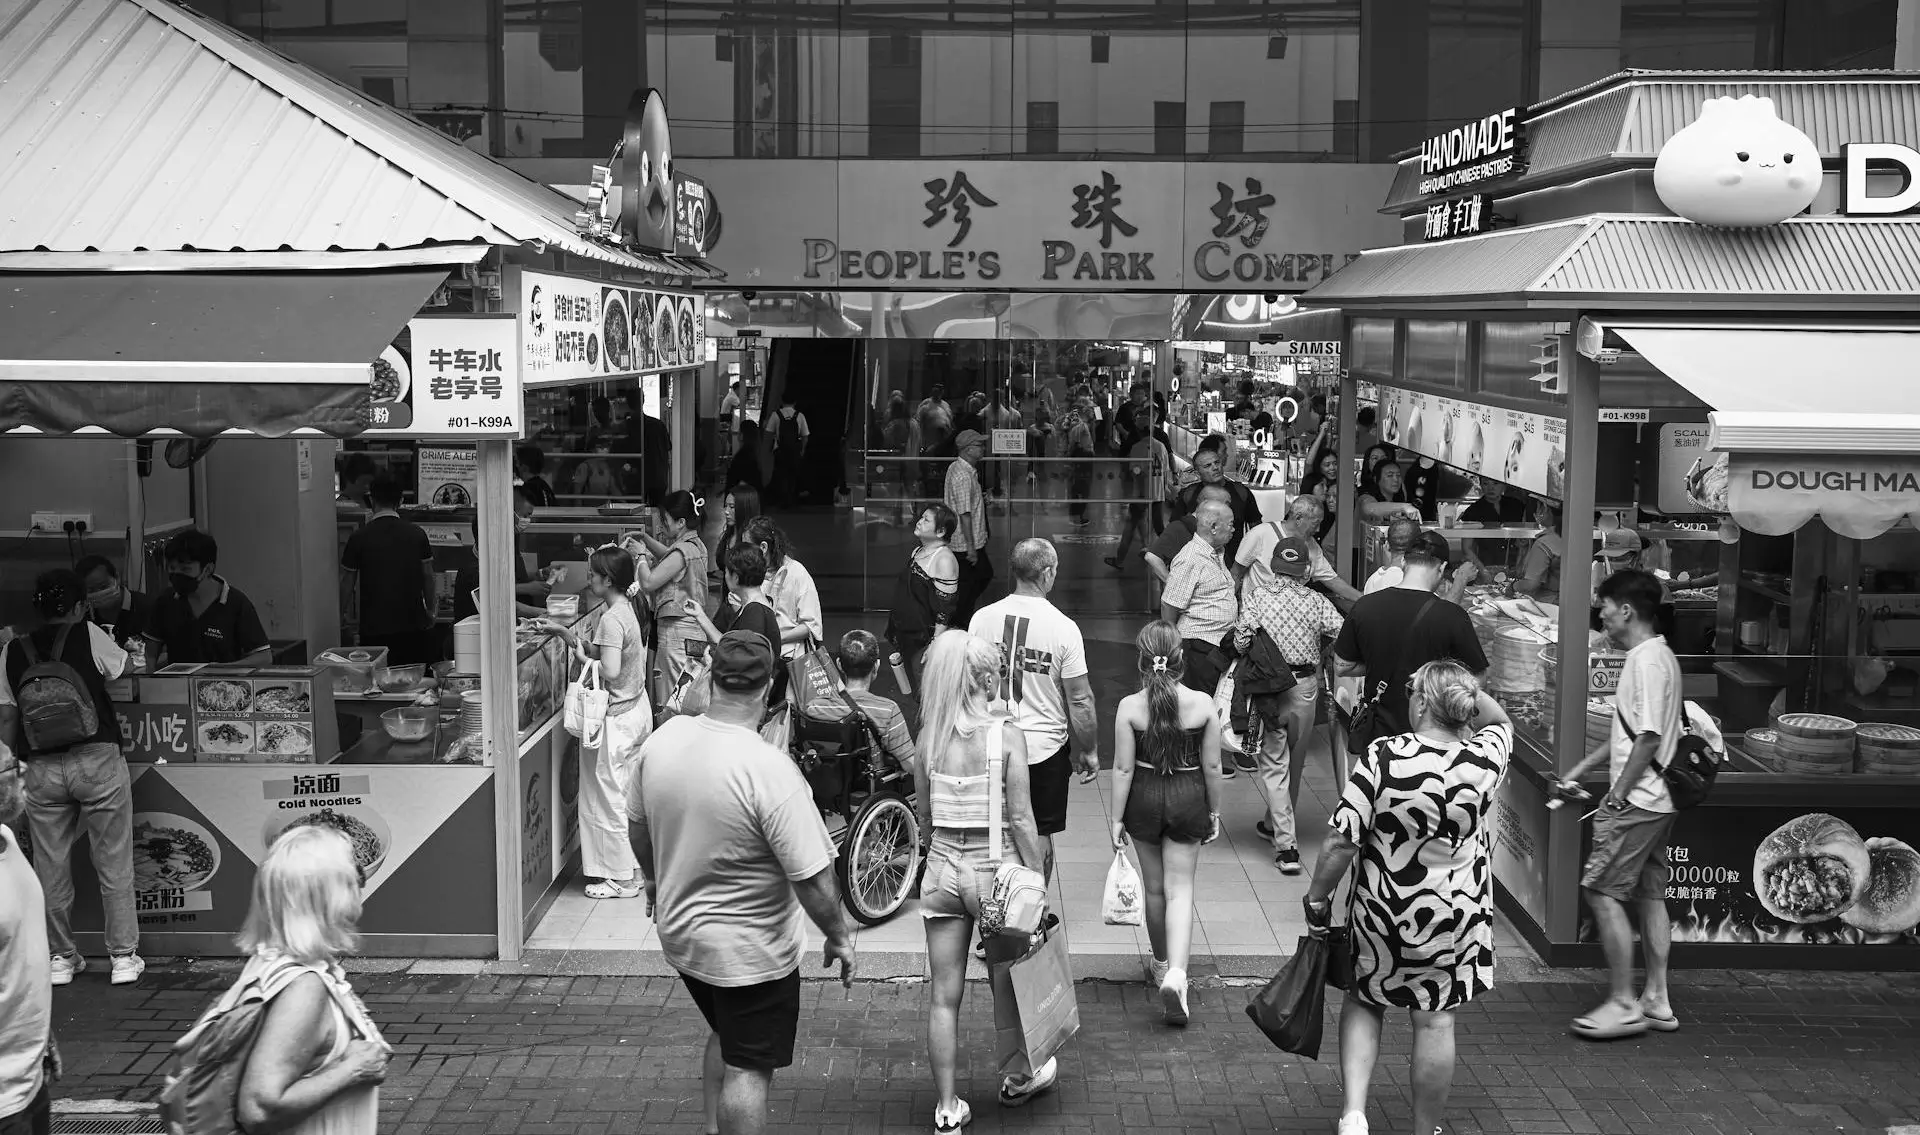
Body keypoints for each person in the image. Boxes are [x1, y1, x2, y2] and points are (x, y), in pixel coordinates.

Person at [628, 631, 854, 1135]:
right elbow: (814, 880)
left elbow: (637, 826)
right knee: (749, 1068)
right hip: (751, 957)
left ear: (710, 676)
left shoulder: (664, 740)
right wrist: (838, 936)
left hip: (684, 940)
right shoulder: (771, 771)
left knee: (725, 1032)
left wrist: (651, 879)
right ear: (768, 686)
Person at [1304, 661, 1514, 1135]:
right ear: (1461, 706)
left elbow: (1341, 840)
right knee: (1436, 1021)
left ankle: (1354, 1114)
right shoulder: (1484, 759)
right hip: (1454, 917)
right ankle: (1424, 1129)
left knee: (1365, 999)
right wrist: (1466, 689)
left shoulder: (1382, 758)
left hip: (1383, 910)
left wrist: (1318, 898)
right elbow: (1501, 722)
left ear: (1420, 703)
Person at [914, 630, 1052, 1130]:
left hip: (944, 871)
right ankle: (1018, 1079)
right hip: (997, 877)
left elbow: (924, 818)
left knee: (943, 996)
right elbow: (1021, 819)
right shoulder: (1006, 735)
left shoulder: (928, 738)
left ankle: (947, 1107)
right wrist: (1036, 876)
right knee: (1007, 984)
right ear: (987, 678)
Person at [1556, 568, 1682, 1042]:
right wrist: (1580, 768)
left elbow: (1647, 737)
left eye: (1604, 605)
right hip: (1658, 799)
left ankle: (1623, 1003)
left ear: (1626, 610)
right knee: (1650, 895)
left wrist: (1617, 796)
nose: (1601, 614)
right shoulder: (1659, 656)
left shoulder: (1645, 661)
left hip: (1640, 800)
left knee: (1601, 892)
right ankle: (1656, 997)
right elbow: (1629, 730)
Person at [0, 570, 140, 986]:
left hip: (41, 767)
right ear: (80, 607)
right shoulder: (90, 634)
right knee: (113, 860)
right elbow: (124, 668)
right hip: (96, 758)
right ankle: (123, 958)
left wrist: (9, 767)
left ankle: (61, 958)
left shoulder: (11, 650)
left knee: (50, 865)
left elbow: (8, 714)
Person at [230, 826, 391, 1135]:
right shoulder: (304, 987)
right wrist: (353, 1070)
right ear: (330, 893)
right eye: (351, 875)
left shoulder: (271, 961)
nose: (360, 882)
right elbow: (259, 1108)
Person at [1109, 622, 1224, 1025]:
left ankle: (1160, 965)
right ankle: (1177, 973)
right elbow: (1212, 765)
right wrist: (1213, 811)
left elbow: (1123, 768)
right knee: (1181, 891)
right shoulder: (1203, 704)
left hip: (1143, 796)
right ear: (1180, 659)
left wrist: (1117, 817)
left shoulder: (1129, 707)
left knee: (1155, 891)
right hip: (1189, 792)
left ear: (1142, 661)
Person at [967, 539, 1099, 879]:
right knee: (1039, 833)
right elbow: (1080, 700)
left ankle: (991, 902)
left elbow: (967, 682)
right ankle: (1033, 909)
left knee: (991, 827)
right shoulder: (1063, 628)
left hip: (988, 744)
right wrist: (1089, 750)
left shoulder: (982, 619)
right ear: (1048, 573)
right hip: (1041, 750)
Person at [535, 546, 651, 900]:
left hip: (615, 721)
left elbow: (610, 669)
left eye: (593, 574)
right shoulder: (624, 610)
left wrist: (585, 658)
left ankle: (625, 879)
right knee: (624, 795)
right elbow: (607, 653)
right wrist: (564, 633)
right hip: (634, 711)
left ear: (609, 580)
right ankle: (632, 869)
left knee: (611, 798)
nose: (589, 579)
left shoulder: (612, 618)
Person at [1236, 538, 1347, 876]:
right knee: (1294, 760)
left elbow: (1241, 639)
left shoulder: (1256, 598)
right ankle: (1275, 824)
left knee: (1273, 763)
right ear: (1305, 571)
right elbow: (1343, 632)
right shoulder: (1316, 600)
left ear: (1273, 565)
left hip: (1270, 691)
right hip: (1305, 689)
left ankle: (1286, 846)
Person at [1333, 531, 1489, 745]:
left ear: (1404, 563)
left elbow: (1342, 666)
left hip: (1379, 734)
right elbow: (1478, 678)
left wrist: (1379, 662)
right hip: (1433, 735)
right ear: (1442, 568)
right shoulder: (1452, 615)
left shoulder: (1364, 606)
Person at [0, 740, 53, 1135]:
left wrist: (43, 1029)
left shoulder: (6, 839)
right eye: (10, 768)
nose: (23, 773)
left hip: (29, 1082)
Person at [339, 477, 437, 666]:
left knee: (377, 683)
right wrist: (431, 610)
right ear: (400, 501)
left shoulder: (359, 537)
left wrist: (340, 616)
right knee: (411, 682)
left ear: (372, 500)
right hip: (412, 625)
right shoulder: (416, 534)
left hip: (374, 628)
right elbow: (428, 576)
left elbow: (347, 582)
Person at [629, 491, 712, 703]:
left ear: (681, 522)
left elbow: (648, 582)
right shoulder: (696, 545)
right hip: (693, 630)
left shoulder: (682, 551)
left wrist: (640, 555)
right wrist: (646, 540)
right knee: (687, 696)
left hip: (676, 634)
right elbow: (669, 556)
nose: (663, 527)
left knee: (672, 700)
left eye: (665, 521)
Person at [144, 530, 269, 665]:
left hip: (223, 684)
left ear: (208, 569)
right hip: (177, 684)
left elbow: (264, 657)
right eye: (172, 568)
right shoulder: (166, 601)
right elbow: (151, 653)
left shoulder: (236, 603)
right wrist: (150, 680)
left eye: (185, 569)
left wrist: (225, 670)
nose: (177, 574)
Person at [685, 543, 787, 709]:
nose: (724, 576)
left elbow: (742, 664)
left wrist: (713, 662)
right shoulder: (752, 608)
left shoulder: (755, 613)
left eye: (726, 572)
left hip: (743, 706)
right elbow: (728, 642)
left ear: (736, 577)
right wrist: (700, 616)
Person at [1162, 499, 1239, 696]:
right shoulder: (1191, 558)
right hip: (1198, 648)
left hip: (1216, 646)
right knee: (1199, 708)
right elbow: (1169, 604)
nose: (1234, 529)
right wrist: (1171, 647)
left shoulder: (1216, 553)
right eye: (1230, 524)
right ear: (1213, 527)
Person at [1234, 496, 1362, 609]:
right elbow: (1236, 573)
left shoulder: (1312, 547)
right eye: (1315, 524)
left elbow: (1332, 580)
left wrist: (1364, 599)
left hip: (1290, 617)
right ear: (1298, 518)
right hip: (1257, 614)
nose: (1318, 530)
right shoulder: (1260, 534)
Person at [885, 503, 960, 692]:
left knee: (926, 692)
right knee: (911, 688)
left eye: (926, 520)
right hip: (907, 633)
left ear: (941, 531)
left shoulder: (944, 560)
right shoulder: (917, 551)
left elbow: (945, 609)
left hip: (923, 639)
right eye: (921, 517)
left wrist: (935, 645)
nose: (919, 522)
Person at [453, 486, 551, 623]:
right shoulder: (474, 571)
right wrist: (543, 613)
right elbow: (502, 603)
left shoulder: (505, 546)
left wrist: (539, 574)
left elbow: (514, 576)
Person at [1170, 434, 1261, 565]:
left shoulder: (1241, 492)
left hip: (1232, 566)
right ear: (1197, 472)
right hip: (1196, 565)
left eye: (1217, 462)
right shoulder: (1188, 494)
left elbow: (1256, 530)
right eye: (1207, 466)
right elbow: (1175, 529)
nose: (1215, 467)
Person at [833, 631, 917, 768]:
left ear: (839, 664)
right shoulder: (887, 710)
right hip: (869, 786)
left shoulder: (814, 707)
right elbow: (910, 765)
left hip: (821, 787)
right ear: (876, 666)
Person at [743, 517, 823, 662]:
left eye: (747, 547)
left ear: (763, 547)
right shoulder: (749, 574)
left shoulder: (797, 573)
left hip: (790, 660)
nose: (743, 552)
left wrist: (776, 638)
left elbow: (811, 625)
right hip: (757, 657)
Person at [1107, 405, 1169, 572]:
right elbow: (1165, 470)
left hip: (1142, 493)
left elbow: (1136, 472)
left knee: (1130, 526)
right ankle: (1167, 555)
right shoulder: (1161, 446)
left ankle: (1119, 559)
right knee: (1158, 526)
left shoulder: (1137, 448)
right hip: (1158, 492)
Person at [945, 430, 993, 625]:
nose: (983, 448)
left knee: (975, 580)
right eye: (979, 445)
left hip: (964, 541)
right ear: (967, 450)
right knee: (972, 582)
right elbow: (964, 514)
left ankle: (959, 620)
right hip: (965, 543)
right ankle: (958, 623)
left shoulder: (958, 469)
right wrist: (971, 548)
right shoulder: (963, 477)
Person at [1145, 482, 1233, 587]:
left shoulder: (1210, 528)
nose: (1229, 510)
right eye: (1225, 505)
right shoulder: (1179, 527)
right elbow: (1152, 557)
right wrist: (1173, 586)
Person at [75, 555, 150, 648]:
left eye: (103, 587)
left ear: (117, 578)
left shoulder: (148, 607)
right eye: (90, 590)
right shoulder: (82, 616)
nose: (99, 593)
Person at [1515, 502, 1565, 606]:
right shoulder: (1576, 535)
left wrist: (1512, 587)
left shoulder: (1544, 543)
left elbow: (1531, 585)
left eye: (1538, 509)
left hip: (1550, 605)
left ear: (1545, 510)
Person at [767, 393, 809, 507]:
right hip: (795, 451)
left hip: (780, 451)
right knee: (793, 475)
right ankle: (792, 499)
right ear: (795, 402)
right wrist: (803, 450)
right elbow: (805, 436)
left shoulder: (775, 415)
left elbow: (769, 433)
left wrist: (770, 449)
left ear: (782, 401)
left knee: (781, 475)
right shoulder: (800, 416)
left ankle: (782, 500)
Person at [714, 484, 764, 581]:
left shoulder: (752, 539)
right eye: (726, 506)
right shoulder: (729, 534)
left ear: (745, 508)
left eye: (731, 507)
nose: (726, 511)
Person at [1358, 459, 1421, 525]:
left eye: (1398, 475)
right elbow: (1370, 508)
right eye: (1390, 475)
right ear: (1376, 479)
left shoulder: (1398, 498)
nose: (1396, 479)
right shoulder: (1365, 497)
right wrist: (1404, 507)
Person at [572, 434, 622, 501]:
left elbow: (613, 488)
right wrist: (579, 510)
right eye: (600, 447)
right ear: (592, 450)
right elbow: (577, 492)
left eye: (607, 447)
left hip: (603, 507)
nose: (605, 450)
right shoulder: (584, 466)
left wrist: (624, 503)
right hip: (588, 507)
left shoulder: (607, 466)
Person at [728, 421, 768, 495]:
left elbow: (732, 482)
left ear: (742, 435)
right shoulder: (759, 453)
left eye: (739, 431)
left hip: (743, 499)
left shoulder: (741, 456)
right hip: (757, 498)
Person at [719, 380, 744, 457]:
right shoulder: (732, 397)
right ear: (738, 389)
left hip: (725, 418)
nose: (741, 392)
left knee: (730, 436)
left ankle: (731, 450)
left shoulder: (731, 395)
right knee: (730, 435)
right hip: (725, 419)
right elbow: (741, 404)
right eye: (741, 390)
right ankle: (729, 452)